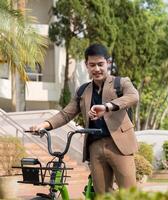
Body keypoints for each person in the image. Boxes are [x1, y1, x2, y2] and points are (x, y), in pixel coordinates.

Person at [30, 44, 139, 194]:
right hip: (94, 148)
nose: (97, 69)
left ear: (108, 63)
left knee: (130, 194)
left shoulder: (120, 83)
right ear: (86, 65)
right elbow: (65, 114)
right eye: (92, 65)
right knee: (103, 195)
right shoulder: (82, 91)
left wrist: (107, 107)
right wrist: (45, 124)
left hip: (119, 145)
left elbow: (133, 97)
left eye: (100, 64)